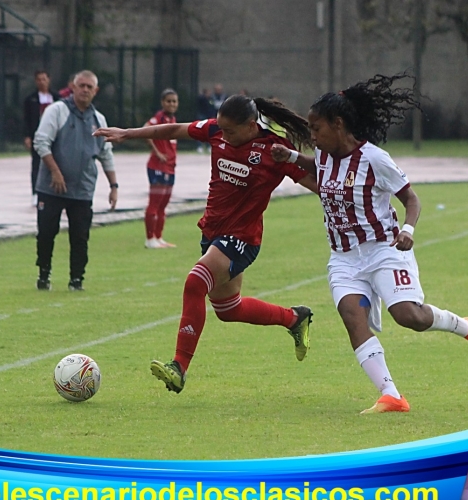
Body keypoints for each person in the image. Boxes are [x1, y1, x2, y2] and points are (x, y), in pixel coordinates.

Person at [270, 74, 468, 414]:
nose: (313, 136)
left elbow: (411, 198)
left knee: (409, 316)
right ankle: (391, 394)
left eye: (316, 128)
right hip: (344, 257)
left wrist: (408, 229)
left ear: (338, 124)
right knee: (352, 316)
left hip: (384, 250)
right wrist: (290, 157)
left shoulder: (375, 158)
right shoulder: (322, 155)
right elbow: (318, 171)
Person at [94, 95, 317, 393]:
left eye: (230, 131)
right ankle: (294, 317)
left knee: (195, 283)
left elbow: (317, 183)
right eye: (221, 129)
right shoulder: (215, 130)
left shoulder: (274, 151)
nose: (222, 135)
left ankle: (179, 367)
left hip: (241, 238)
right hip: (212, 233)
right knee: (228, 309)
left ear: (251, 126)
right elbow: (173, 130)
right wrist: (127, 133)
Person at [33, 70, 118, 292]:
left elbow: (106, 153)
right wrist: (55, 172)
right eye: (81, 85)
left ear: (95, 91)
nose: (85, 90)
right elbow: (41, 142)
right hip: (52, 188)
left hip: (82, 189)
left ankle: (76, 279)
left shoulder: (98, 119)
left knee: (80, 236)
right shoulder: (57, 111)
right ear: (73, 86)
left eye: (90, 87)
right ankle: (44, 273)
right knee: (46, 232)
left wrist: (114, 186)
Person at [143, 88, 179, 249]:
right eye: (168, 101)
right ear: (162, 103)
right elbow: (145, 130)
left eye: (174, 101)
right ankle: (150, 239)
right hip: (157, 166)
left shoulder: (173, 120)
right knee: (155, 203)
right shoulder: (158, 118)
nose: (171, 104)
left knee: (163, 204)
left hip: (170, 166)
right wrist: (157, 152)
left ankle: (158, 237)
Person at [24, 70, 60, 205]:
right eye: (39, 79)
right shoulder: (31, 99)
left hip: (55, 135)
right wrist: (27, 136)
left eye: (44, 79)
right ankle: (35, 192)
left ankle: (55, 191)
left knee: (56, 162)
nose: (42, 82)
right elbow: (27, 119)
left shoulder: (57, 98)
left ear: (49, 80)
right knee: (36, 164)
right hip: (37, 135)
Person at [195, 88, 214, 153]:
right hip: (202, 116)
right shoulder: (202, 99)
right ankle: (199, 146)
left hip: (209, 117)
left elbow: (212, 106)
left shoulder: (210, 99)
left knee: (209, 132)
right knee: (200, 131)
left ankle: (209, 146)